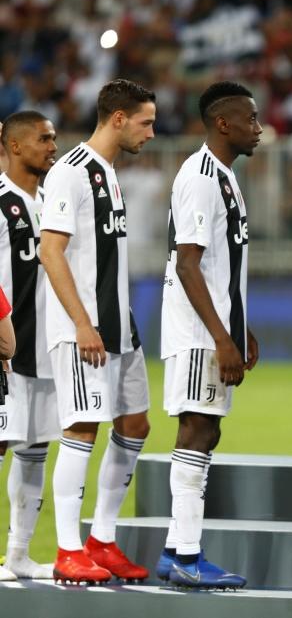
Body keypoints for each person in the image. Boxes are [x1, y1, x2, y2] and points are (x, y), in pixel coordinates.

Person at [39, 79, 156, 584]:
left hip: (118, 326)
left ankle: (101, 541)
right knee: (82, 429)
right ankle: (68, 549)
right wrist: (84, 324)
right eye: (146, 122)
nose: (151, 133)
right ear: (117, 118)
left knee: (135, 425)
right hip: (83, 329)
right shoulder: (70, 172)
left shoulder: (107, 172)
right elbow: (50, 251)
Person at [154, 82, 261, 589]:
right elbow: (188, 263)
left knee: (208, 429)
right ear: (224, 123)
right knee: (196, 429)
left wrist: (241, 327)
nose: (259, 128)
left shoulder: (225, 178)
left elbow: (221, 266)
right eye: (251, 119)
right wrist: (221, 337)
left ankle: (178, 549)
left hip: (214, 327)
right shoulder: (200, 178)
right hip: (198, 333)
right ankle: (187, 557)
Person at [0, 111, 59, 580]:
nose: (52, 147)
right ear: (15, 146)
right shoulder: (1, 203)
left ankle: (18, 554)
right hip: (5, 351)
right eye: (43, 139)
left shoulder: (52, 203)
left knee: (35, 448)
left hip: (44, 348)